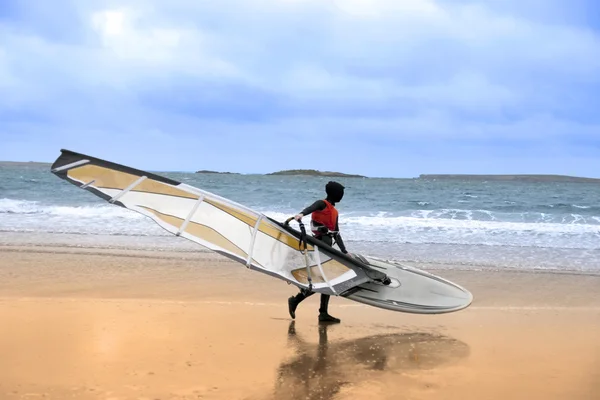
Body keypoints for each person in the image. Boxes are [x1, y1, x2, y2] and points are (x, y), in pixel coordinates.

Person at [287, 181, 348, 324]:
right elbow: (311, 208)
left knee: (326, 281)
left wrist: (344, 252)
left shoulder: (335, 212)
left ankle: (323, 313)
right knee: (322, 281)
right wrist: (301, 214)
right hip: (319, 247)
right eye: (341, 193)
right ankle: (297, 301)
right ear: (335, 193)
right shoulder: (322, 203)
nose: (342, 195)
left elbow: (336, 233)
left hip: (328, 249)